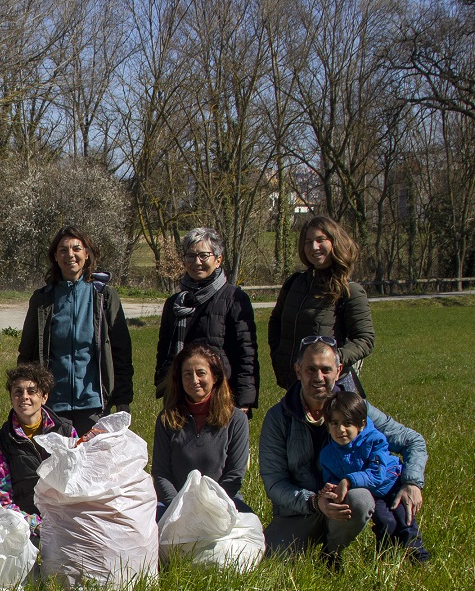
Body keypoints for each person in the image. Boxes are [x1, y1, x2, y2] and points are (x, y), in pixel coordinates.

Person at [259, 338, 427, 566]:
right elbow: (274, 483)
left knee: (359, 499)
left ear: (338, 371)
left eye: (326, 369)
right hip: (301, 510)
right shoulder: (278, 418)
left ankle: (332, 551)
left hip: (344, 503)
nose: (319, 377)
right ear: (298, 371)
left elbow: (412, 440)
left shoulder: (355, 409)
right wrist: (314, 502)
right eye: (311, 369)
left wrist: (412, 483)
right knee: (270, 558)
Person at [18, 225, 133, 434]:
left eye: (76, 249)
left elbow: (121, 354)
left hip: (94, 404)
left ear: (87, 254)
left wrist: (123, 401)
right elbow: (26, 354)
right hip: (53, 404)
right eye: (63, 250)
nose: (70, 255)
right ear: (55, 256)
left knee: (94, 465)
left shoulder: (104, 297)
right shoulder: (42, 299)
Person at [154, 227, 259, 413]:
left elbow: (246, 354)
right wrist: (164, 384)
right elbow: (164, 351)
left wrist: (244, 400)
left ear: (218, 260)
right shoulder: (175, 303)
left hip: (223, 393)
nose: (197, 262)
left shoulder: (233, 299)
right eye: (191, 256)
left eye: (204, 256)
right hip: (181, 392)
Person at [267, 215, 375, 392]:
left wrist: (332, 360)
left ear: (334, 242)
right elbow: (276, 322)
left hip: (332, 387)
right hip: (295, 382)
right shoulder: (294, 284)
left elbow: (365, 339)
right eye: (308, 242)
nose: (314, 247)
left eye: (320, 240)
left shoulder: (348, 291)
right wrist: (279, 353)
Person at [318, 391, 427, 559]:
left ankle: (418, 558)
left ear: (361, 424)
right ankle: (385, 560)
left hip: (392, 485)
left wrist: (348, 481)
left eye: (348, 423)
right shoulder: (327, 455)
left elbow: (378, 475)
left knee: (405, 522)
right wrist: (331, 487)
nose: (341, 429)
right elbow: (332, 478)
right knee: (386, 523)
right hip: (374, 494)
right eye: (335, 423)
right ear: (327, 425)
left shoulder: (375, 440)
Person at [151, 343, 252, 519]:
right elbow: (161, 474)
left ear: (215, 376)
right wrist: (180, 508)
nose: (194, 380)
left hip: (222, 503)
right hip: (174, 506)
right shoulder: (166, 419)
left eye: (201, 373)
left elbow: (235, 474)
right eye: (187, 375)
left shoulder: (236, 420)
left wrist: (208, 509)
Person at [0, 364, 76, 534]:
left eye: (31, 391)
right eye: (18, 392)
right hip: (23, 528)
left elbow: (81, 477)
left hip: (69, 518)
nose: (24, 397)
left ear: (44, 397)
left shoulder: (67, 432)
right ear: (11, 398)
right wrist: (36, 525)